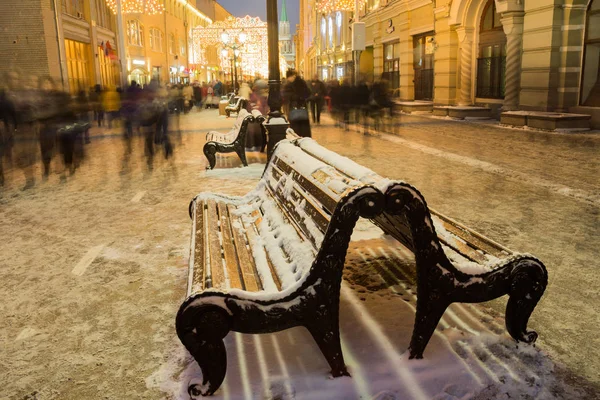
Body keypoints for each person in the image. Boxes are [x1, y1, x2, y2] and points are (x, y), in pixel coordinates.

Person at [282, 69, 311, 138]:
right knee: (297, 126)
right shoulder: (290, 84)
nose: (288, 79)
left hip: (299, 107)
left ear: (293, 76)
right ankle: (299, 139)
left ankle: (302, 139)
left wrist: (297, 97)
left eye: (289, 77)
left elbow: (307, 93)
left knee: (300, 127)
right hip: (296, 108)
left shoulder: (300, 83)